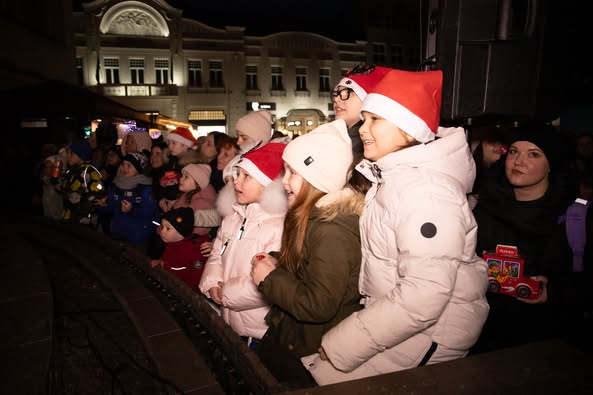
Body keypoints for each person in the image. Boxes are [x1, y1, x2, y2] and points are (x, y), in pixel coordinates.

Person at [306, 68, 490, 385]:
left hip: (432, 332)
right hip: (401, 323)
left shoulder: (426, 192)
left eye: (376, 119)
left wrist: (344, 343)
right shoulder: (396, 178)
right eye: (364, 119)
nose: (364, 128)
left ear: (408, 131)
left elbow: (424, 295)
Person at [250, 119, 365, 389]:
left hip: (308, 350)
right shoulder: (312, 217)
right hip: (295, 337)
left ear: (318, 179)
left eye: (292, 173)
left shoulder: (332, 231)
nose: (284, 181)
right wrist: (279, 261)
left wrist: (271, 279)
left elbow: (319, 303)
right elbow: (311, 266)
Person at [471, 125, 575, 354]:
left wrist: (555, 293)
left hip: (545, 341)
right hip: (484, 334)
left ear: (551, 166)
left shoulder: (572, 216)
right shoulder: (485, 209)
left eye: (534, 154)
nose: (518, 161)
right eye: (514, 151)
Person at [198, 143, 288, 350]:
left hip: (258, 331)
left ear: (269, 185)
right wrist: (212, 282)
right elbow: (216, 254)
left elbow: (269, 282)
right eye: (237, 174)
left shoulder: (278, 226)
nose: (236, 181)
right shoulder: (234, 216)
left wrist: (226, 294)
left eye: (246, 176)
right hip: (229, 320)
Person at [331, 64, 392, 194]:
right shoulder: (340, 137)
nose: (336, 99)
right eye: (336, 93)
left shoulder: (371, 144)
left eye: (349, 93)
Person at [94, 152, 159, 252]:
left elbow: (148, 213)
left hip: (138, 237)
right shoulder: (117, 184)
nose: (124, 168)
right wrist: (103, 205)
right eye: (123, 164)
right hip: (118, 233)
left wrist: (131, 210)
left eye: (129, 166)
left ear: (139, 168)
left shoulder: (145, 189)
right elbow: (113, 208)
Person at [151, 207, 207, 291]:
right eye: (162, 227)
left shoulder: (194, 252)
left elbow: (197, 279)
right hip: (171, 286)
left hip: (184, 294)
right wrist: (161, 262)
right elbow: (169, 260)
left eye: (168, 228)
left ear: (181, 232)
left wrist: (182, 291)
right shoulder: (172, 244)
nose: (162, 231)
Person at [59, 139, 105, 226]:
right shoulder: (71, 170)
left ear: (81, 155)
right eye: (67, 153)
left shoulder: (90, 172)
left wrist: (80, 200)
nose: (68, 156)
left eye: (71, 153)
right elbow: (65, 188)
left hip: (84, 221)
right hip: (70, 217)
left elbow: (98, 194)